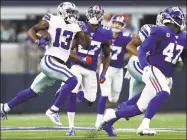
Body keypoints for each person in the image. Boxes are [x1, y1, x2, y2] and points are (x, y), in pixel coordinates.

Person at [96, 6, 186, 137]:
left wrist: (179, 63)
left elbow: (181, 56)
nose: (182, 19)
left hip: (164, 73)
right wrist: (146, 67)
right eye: (179, 17)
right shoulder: (156, 30)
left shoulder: (183, 36)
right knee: (163, 92)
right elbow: (140, 49)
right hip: (149, 67)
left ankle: (112, 115)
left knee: (139, 107)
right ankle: (144, 126)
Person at [0, 2, 90, 123]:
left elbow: (83, 46)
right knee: (73, 80)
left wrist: (84, 32)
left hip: (58, 64)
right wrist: (37, 41)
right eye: (70, 12)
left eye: (74, 12)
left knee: (32, 92)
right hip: (50, 60)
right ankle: (53, 109)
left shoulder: (75, 27)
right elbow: (32, 30)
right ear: (62, 11)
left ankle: (4, 107)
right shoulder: (52, 19)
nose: (72, 15)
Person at [53, 5, 112, 136]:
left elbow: (107, 55)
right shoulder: (79, 26)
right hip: (77, 65)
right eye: (93, 13)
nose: (95, 16)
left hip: (91, 69)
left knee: (91, 100)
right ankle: (71, 127)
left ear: (101, 16)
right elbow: (68, 49)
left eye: (97, 14)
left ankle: (69, 89)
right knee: (72, 92)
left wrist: (103, 72)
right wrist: (82, 58)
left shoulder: (105, 32)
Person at [95, 15, 132, 128]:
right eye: (115, 23)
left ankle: (106, 119)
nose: (116, 25)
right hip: (106, 68)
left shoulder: (126, 37)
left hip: (118, 70)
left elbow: (133, 46)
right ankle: (99, 119)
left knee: (114, 99)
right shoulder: (104, 35)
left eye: (119, 24)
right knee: (105, 94)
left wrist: (127, 56)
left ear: (122, 26)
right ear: (111, 23)